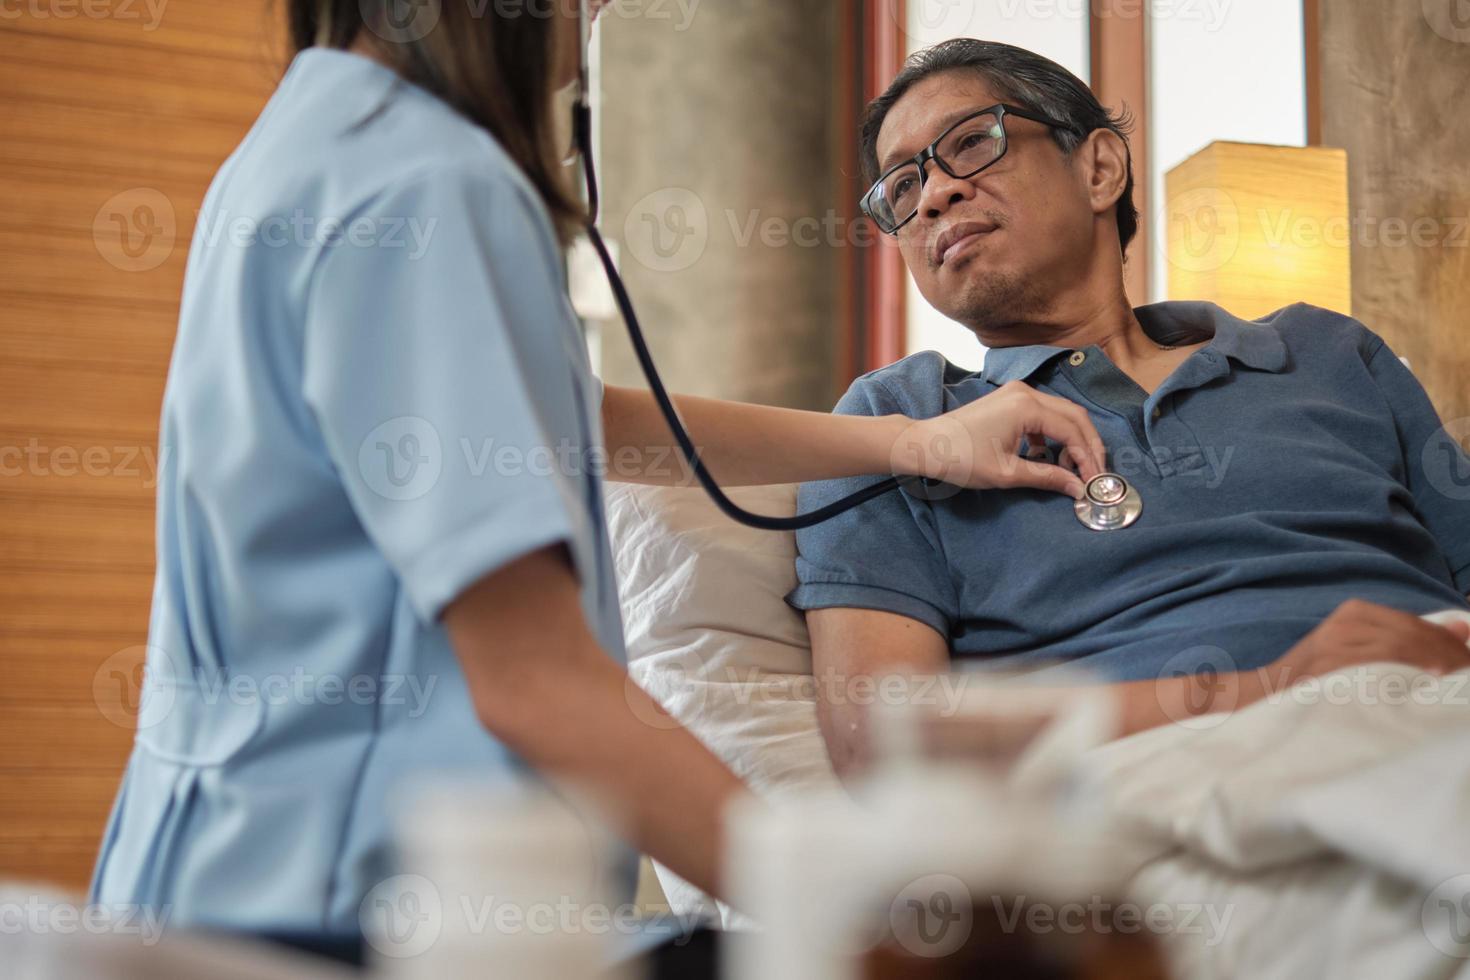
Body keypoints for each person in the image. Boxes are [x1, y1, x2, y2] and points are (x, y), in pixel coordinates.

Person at [88, 6, 1110, 933]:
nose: (584, 26)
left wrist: (916, 442)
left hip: (208, 866)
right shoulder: (429, 181)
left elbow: (573, 420)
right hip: (348, 904)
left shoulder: (306, 144)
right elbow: (534, 680)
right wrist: (858, 921)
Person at [789, 39, 1470, 776]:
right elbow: (884, 744)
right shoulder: (893, 421)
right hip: (1172, 790)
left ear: (1099, 168)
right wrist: (1282, 689)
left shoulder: (1328, 353)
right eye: (901, 187)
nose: (932, 195)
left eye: (971, 144)